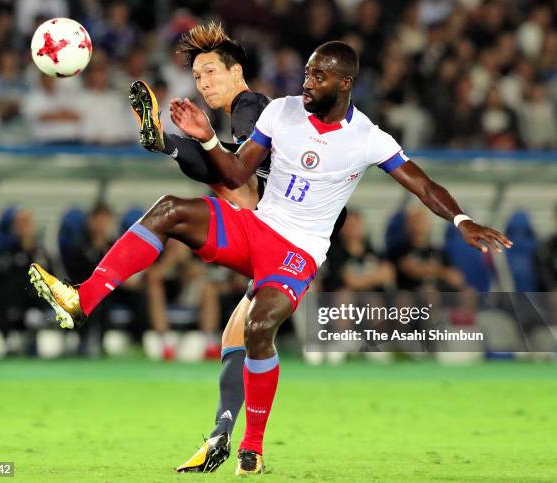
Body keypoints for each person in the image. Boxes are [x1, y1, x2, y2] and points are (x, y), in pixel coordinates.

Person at [29, 41, 512, 475]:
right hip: (257, 227)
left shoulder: (369, 137)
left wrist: (462, 220)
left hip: (298, 252)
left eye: (318, 77)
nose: (307, 83)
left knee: (256, 329)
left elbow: (422, 184)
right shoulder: (280, 112)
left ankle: (250, 449)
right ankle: (81, 300)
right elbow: (239, 172)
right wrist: (204, 138)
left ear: (345, 83)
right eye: (305, 73)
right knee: (168, 211)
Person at [129, 22, 344, 472]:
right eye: (199, 76)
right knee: (237, 335)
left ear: (237, 71)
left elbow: (235, 170)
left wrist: (179, 143)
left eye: (211, 72)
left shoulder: (252, 106)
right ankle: (223, 438)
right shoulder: (254, 113)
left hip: (283, 235)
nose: (204, 83)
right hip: (285, 232)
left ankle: (239, 440)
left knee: (225, 176)